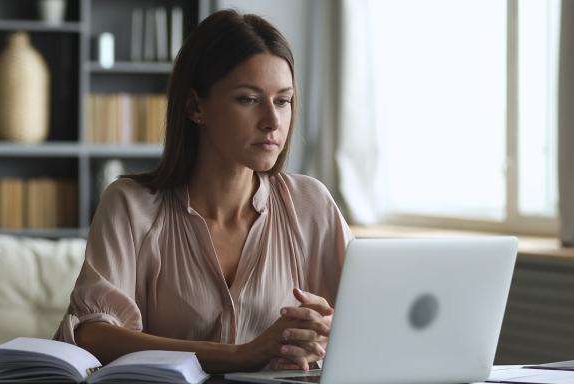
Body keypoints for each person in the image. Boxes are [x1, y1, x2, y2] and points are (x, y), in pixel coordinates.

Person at [54, 9, 353, 374]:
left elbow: (368, 322)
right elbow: (94, 335)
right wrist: (240, 354)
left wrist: (319, 337)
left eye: (283, 100)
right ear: (196, 107)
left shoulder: (311, 204)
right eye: (248, 99)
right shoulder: (130, 206)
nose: (273, 121)